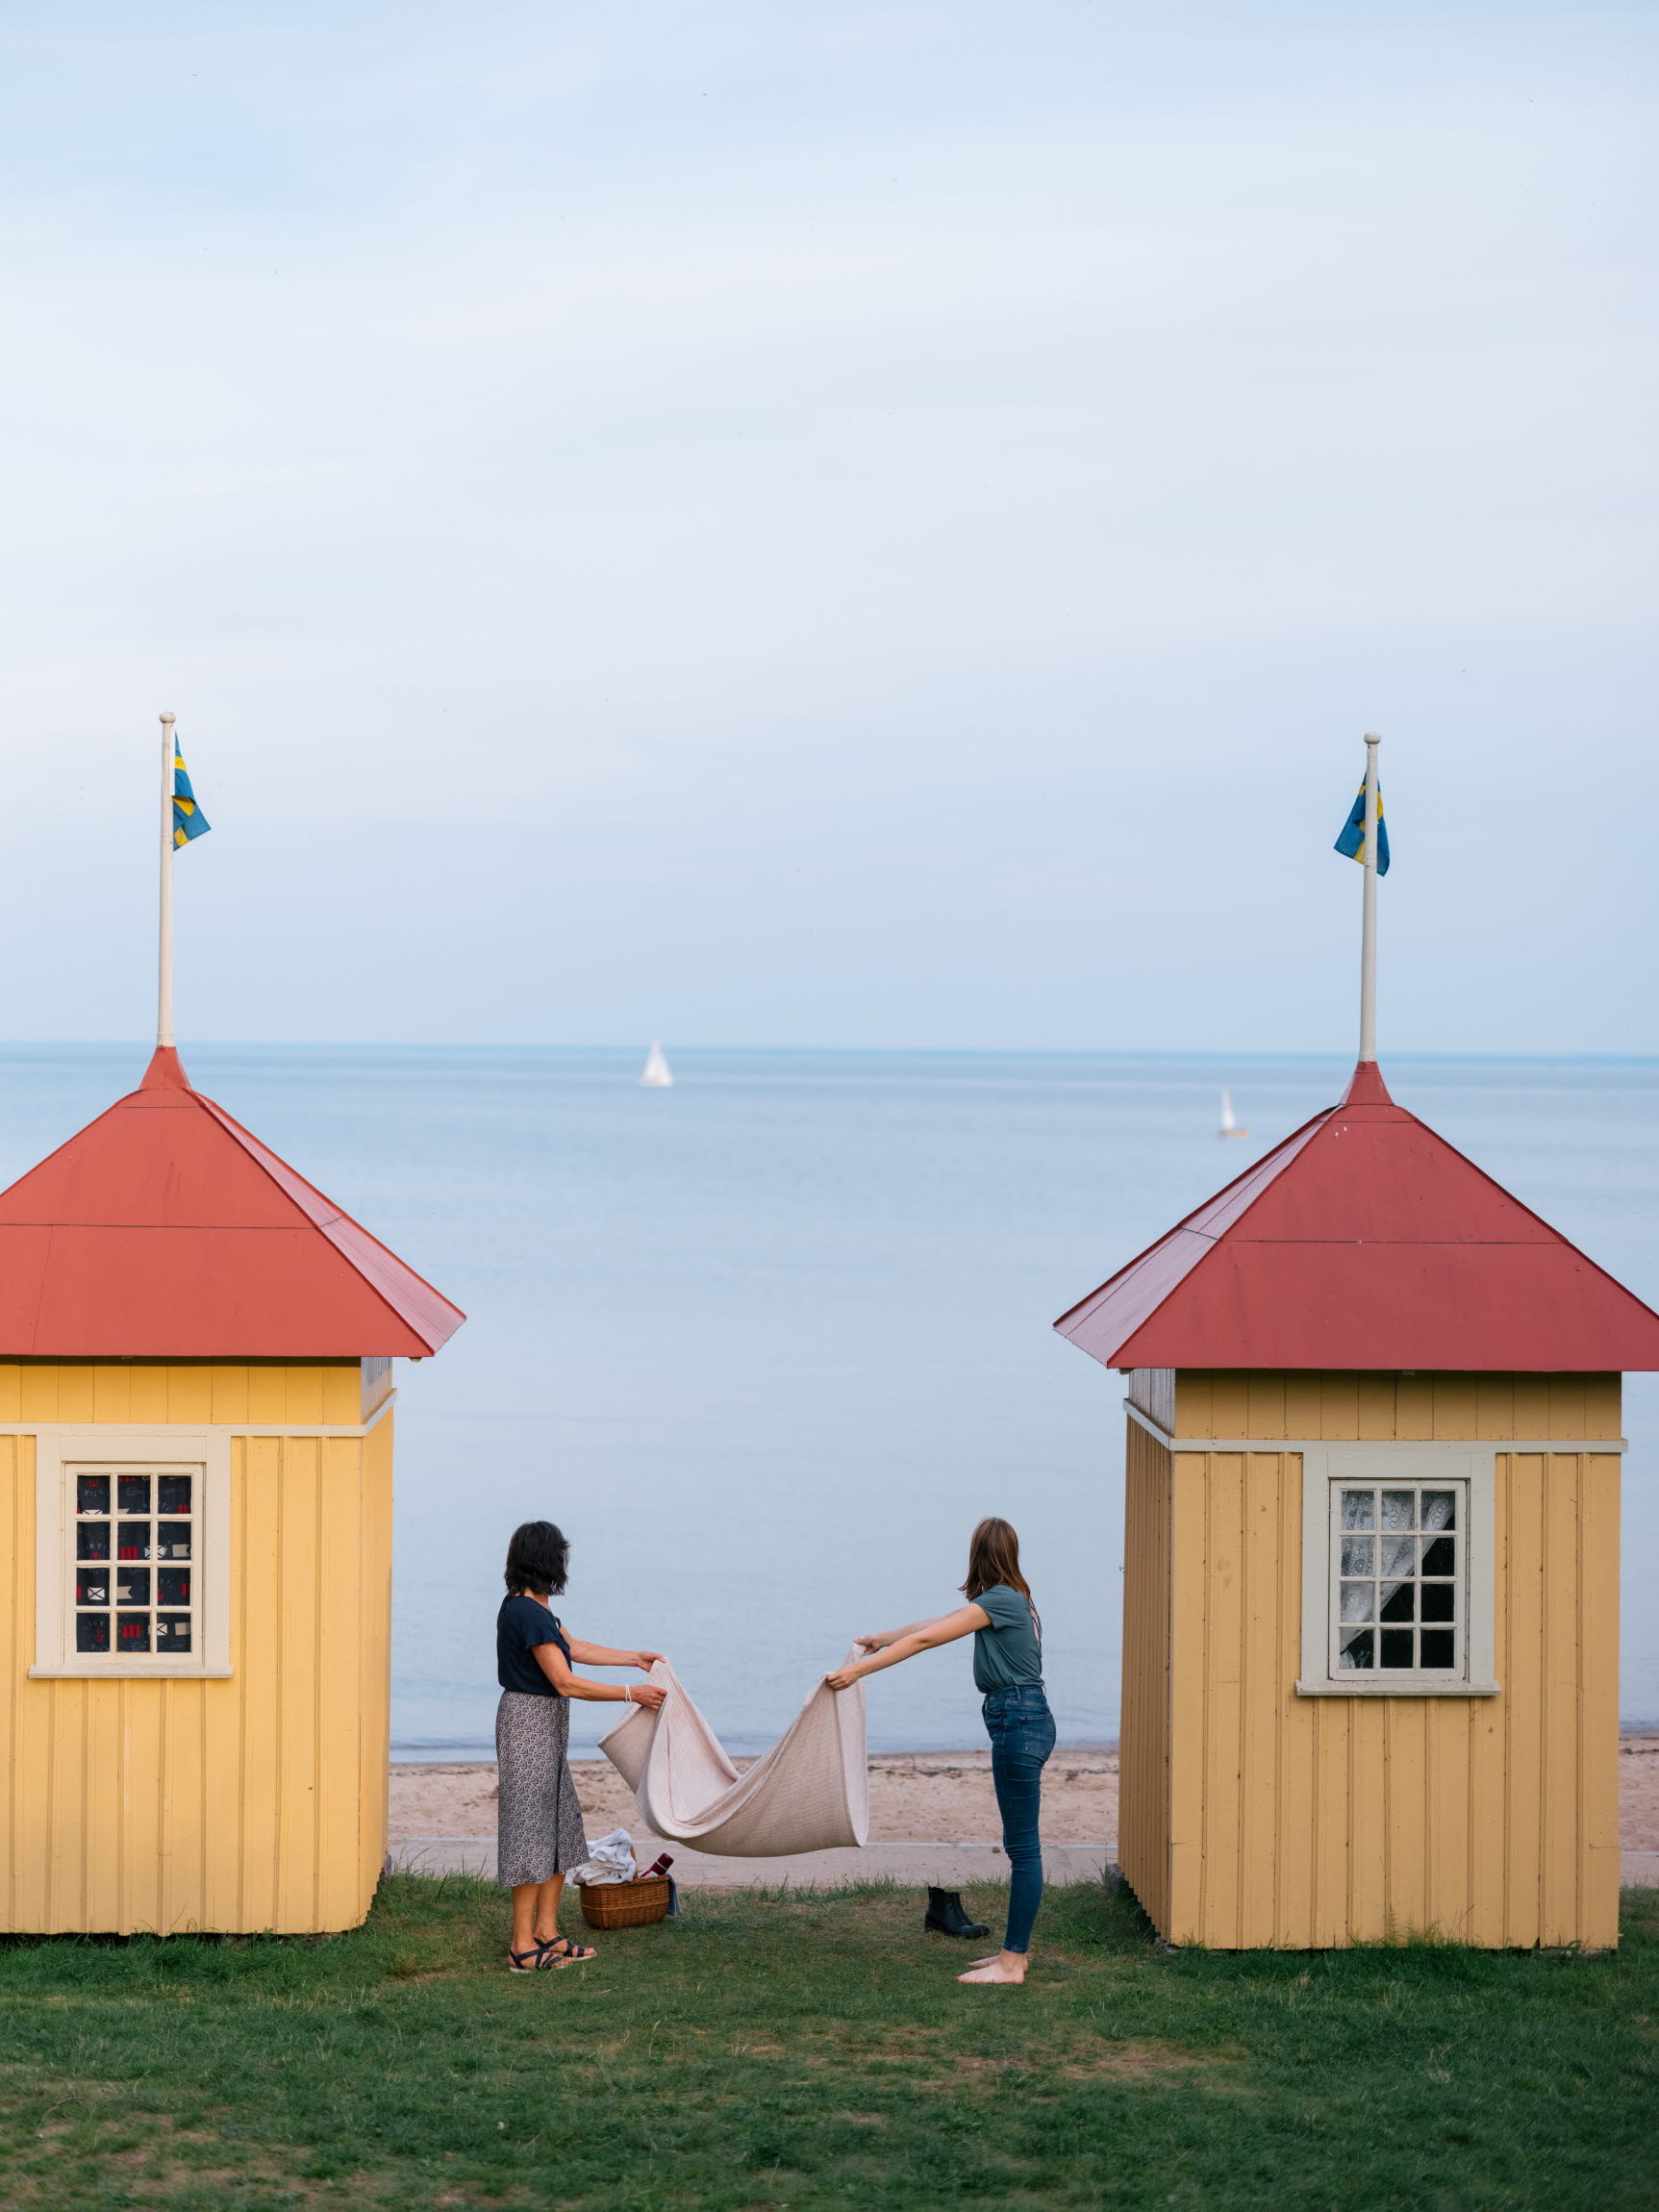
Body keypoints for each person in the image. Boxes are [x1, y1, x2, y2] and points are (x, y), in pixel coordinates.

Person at [825, 1516, 1052, 1986]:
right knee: (1021, 1845)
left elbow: (929, 1639)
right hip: (1020, 1715)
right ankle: (1013, 1954)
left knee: (1023, 1849)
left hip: (1018, 1718)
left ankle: (1012, 1962)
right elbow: (934, 1624)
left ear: (979, 1555)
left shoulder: (1003, 1599)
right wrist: (883, 1638)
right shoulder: (1010, 1598)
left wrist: (860, 1672)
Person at [495, 1519, 668, 1972]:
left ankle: (546, 1931)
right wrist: (632, 1693)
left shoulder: (536, 1608)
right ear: (548, 1560)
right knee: (530, 1833)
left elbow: (576, 1648)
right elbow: (565, 1681)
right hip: (528, 1724)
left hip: (548, 1725)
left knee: (559, 1827)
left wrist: (633, 1658)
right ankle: (520, 1945)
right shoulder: (526, 1613)